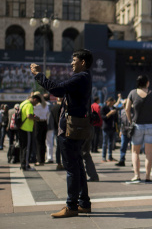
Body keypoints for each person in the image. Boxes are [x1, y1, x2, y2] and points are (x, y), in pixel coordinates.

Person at [31, 49, 94, 218]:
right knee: (78, 166)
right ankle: (84, 203)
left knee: (72, 168)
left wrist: (38, 75)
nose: (71, 63)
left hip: (70, 128)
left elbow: (57, 90)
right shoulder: (85, 77)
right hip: (77, 126)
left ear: (83, 62)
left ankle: (71, 206)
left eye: (74, 60)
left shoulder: (80, 77)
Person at [125, 75, 152, 183]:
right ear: (147, 83)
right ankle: (148, 176)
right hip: (150, 125)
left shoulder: (132, 93)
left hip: (137, 125)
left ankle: (137, 175)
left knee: (135, 152)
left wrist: (130, 121)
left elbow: (127, 109)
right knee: (149, 153)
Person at [18, 95, 42, 171]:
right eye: (36, 102)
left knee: (22, 147)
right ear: (34, 99)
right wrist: (36, 118)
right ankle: (26, 165)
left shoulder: (23, 103)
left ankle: (22, 164)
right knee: (27, 147)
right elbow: (29, 116)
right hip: (27, 128)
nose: (36, 104)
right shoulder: (29, 105)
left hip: (21, 127)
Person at [33, 91, 49, 166]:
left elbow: (34, 115)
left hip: (38, 123)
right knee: (43, 142)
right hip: (45, 123)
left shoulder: (36, 106)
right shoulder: (45, 105)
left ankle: (39, 160)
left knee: (38, 142)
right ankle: (42, 159)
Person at [101, 97, 118, 162]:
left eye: (113, 102)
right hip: (106, 127)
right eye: (111, 102)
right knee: (105, 143)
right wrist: (110, 113)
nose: (112, 104)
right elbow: (103, 117)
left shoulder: (114, 108)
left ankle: (110, 157)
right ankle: (103, 157)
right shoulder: (104, 108)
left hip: (112, 127)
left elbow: (116, 119)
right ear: (108, 102)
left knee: (111, 143)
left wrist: (117, 128)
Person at [115, 100, 132, 167]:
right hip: (124, 130)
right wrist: (120, 131)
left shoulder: (133, 111)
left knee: (133, 147)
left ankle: (134, 161)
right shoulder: (121, 111)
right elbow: (120, 122)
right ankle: (122, 160)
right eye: (124, 104)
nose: (124, 105)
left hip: (132, 130)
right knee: (123, 146)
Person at [50, 98, 63, 170]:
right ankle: (64, 163)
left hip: (56, 129)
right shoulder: (63, 107)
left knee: (58, 147)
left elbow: (51, 119)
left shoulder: (53, 108)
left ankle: (58, 163)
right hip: (63, 129)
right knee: (64, 147)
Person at [43, 93, 55, 163]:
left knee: (46, 142)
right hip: (51, 126)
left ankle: (48, 157)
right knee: (50, 142)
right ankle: (50, 157)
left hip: (45, 125)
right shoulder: (52, 105)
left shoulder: (45, 106)